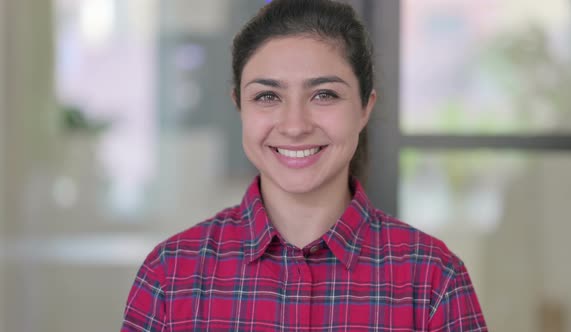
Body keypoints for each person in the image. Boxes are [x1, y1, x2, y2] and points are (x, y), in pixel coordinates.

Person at [121, 0, 487, 330]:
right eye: (267, 96)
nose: (295, 125)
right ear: (239, 107)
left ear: (365, 108)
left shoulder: (433, 280)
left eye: (324, 94)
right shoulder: (170, 275)